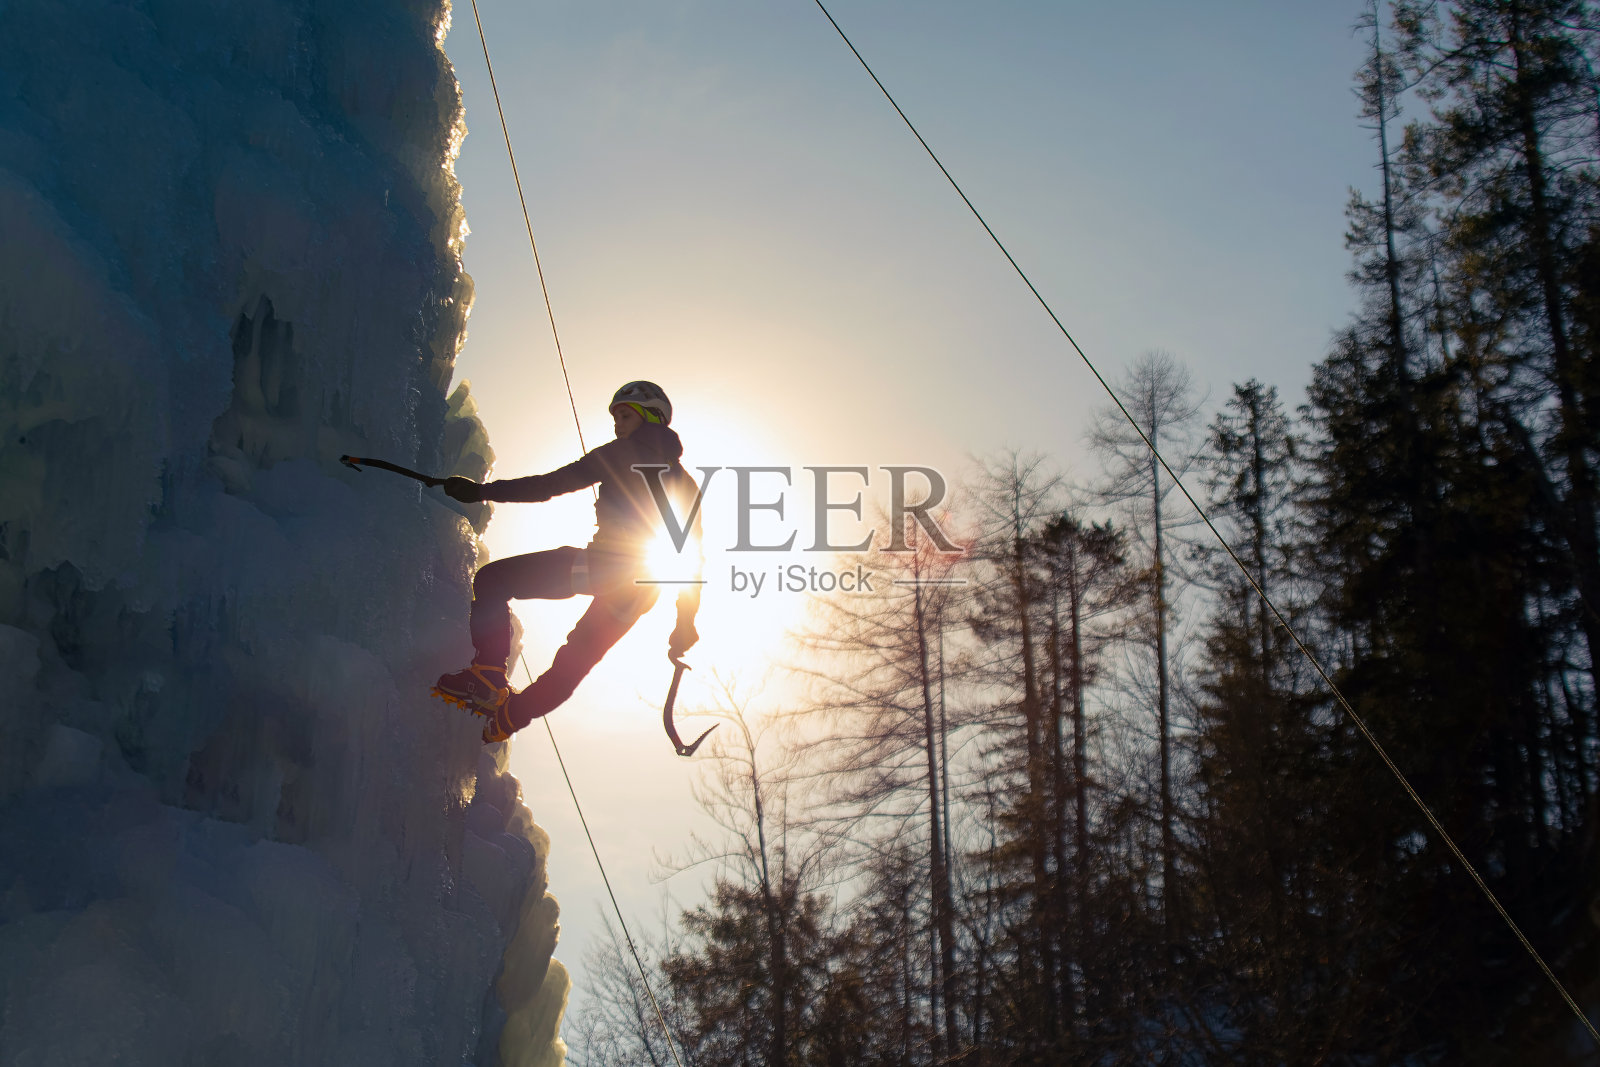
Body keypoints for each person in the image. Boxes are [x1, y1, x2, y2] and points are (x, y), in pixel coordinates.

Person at [433, 381, 702, 743]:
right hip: (641, 591)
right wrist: (685, 622)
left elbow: (548, 485)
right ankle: (509, 718)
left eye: (625, 415)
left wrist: (481, 491)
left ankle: (488, 675)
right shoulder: (686, 484)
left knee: (494, 580)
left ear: (651, 417)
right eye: (616, 417)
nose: (617, 424)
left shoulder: (622, 452)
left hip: (604, 567)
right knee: (573, 663)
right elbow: (692, 556)